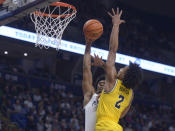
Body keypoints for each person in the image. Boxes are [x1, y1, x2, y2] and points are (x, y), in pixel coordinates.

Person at [95, 8, 143, 131]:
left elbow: (112, 50)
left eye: (123, 69)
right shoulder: (131, 94)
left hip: (104, 127)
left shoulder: (112, 81)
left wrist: (116, 25)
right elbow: (121, 114)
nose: (120, 69)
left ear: (125, 75)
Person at [82, 38, 105, 131]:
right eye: (100, 83)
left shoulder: (112, 99)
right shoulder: (90, 95)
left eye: (105, 83)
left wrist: (104, 65)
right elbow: (86, 68)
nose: (102, 83)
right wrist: (88, 45)